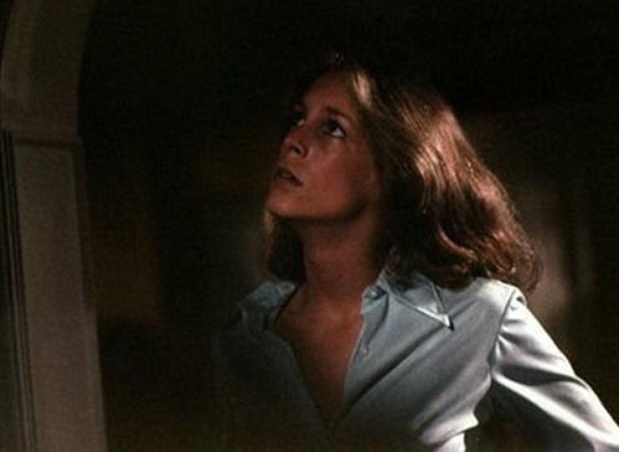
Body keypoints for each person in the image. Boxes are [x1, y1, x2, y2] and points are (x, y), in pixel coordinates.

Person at [211, 53, 619, 451]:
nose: (293, 141)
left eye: (332, 128)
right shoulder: (245, 333)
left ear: (392, 168)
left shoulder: (480, 316)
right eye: (299, 118)